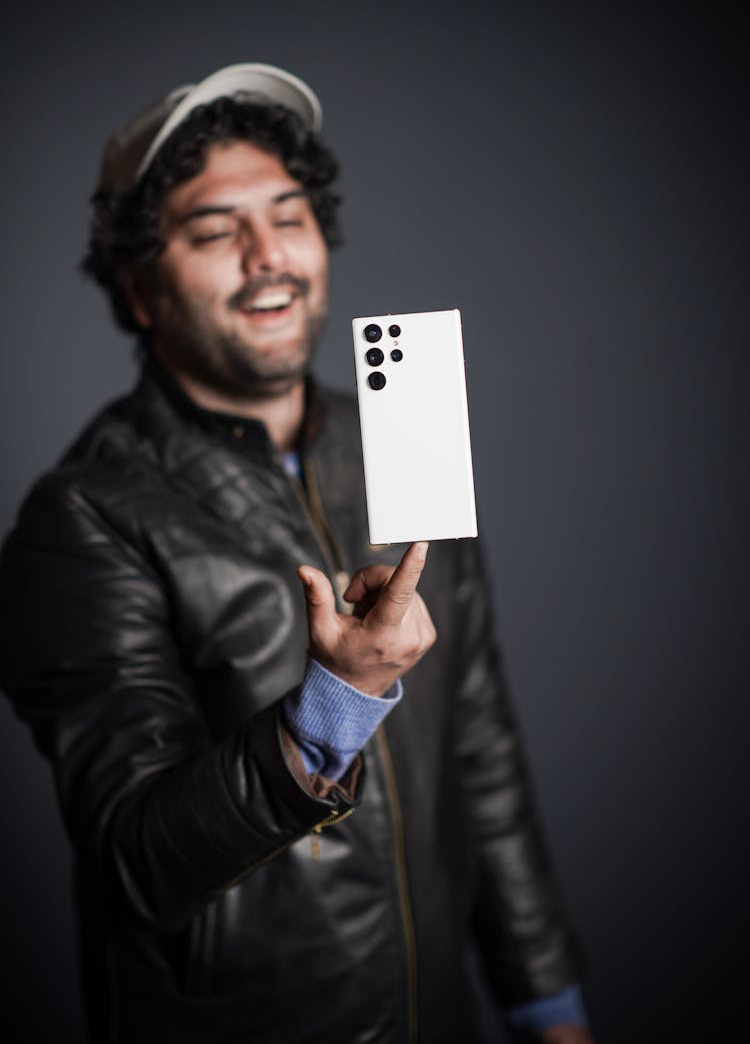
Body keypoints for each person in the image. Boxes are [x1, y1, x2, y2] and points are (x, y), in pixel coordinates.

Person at [0, 63, 593, 1043]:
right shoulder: (83, 518)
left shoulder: (400, 439)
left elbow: (477, 749)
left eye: (289, 215)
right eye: (214, 230)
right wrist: (335, 707)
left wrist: (547, 1002)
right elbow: (132, 859)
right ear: (142, 290)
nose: (267, 255)